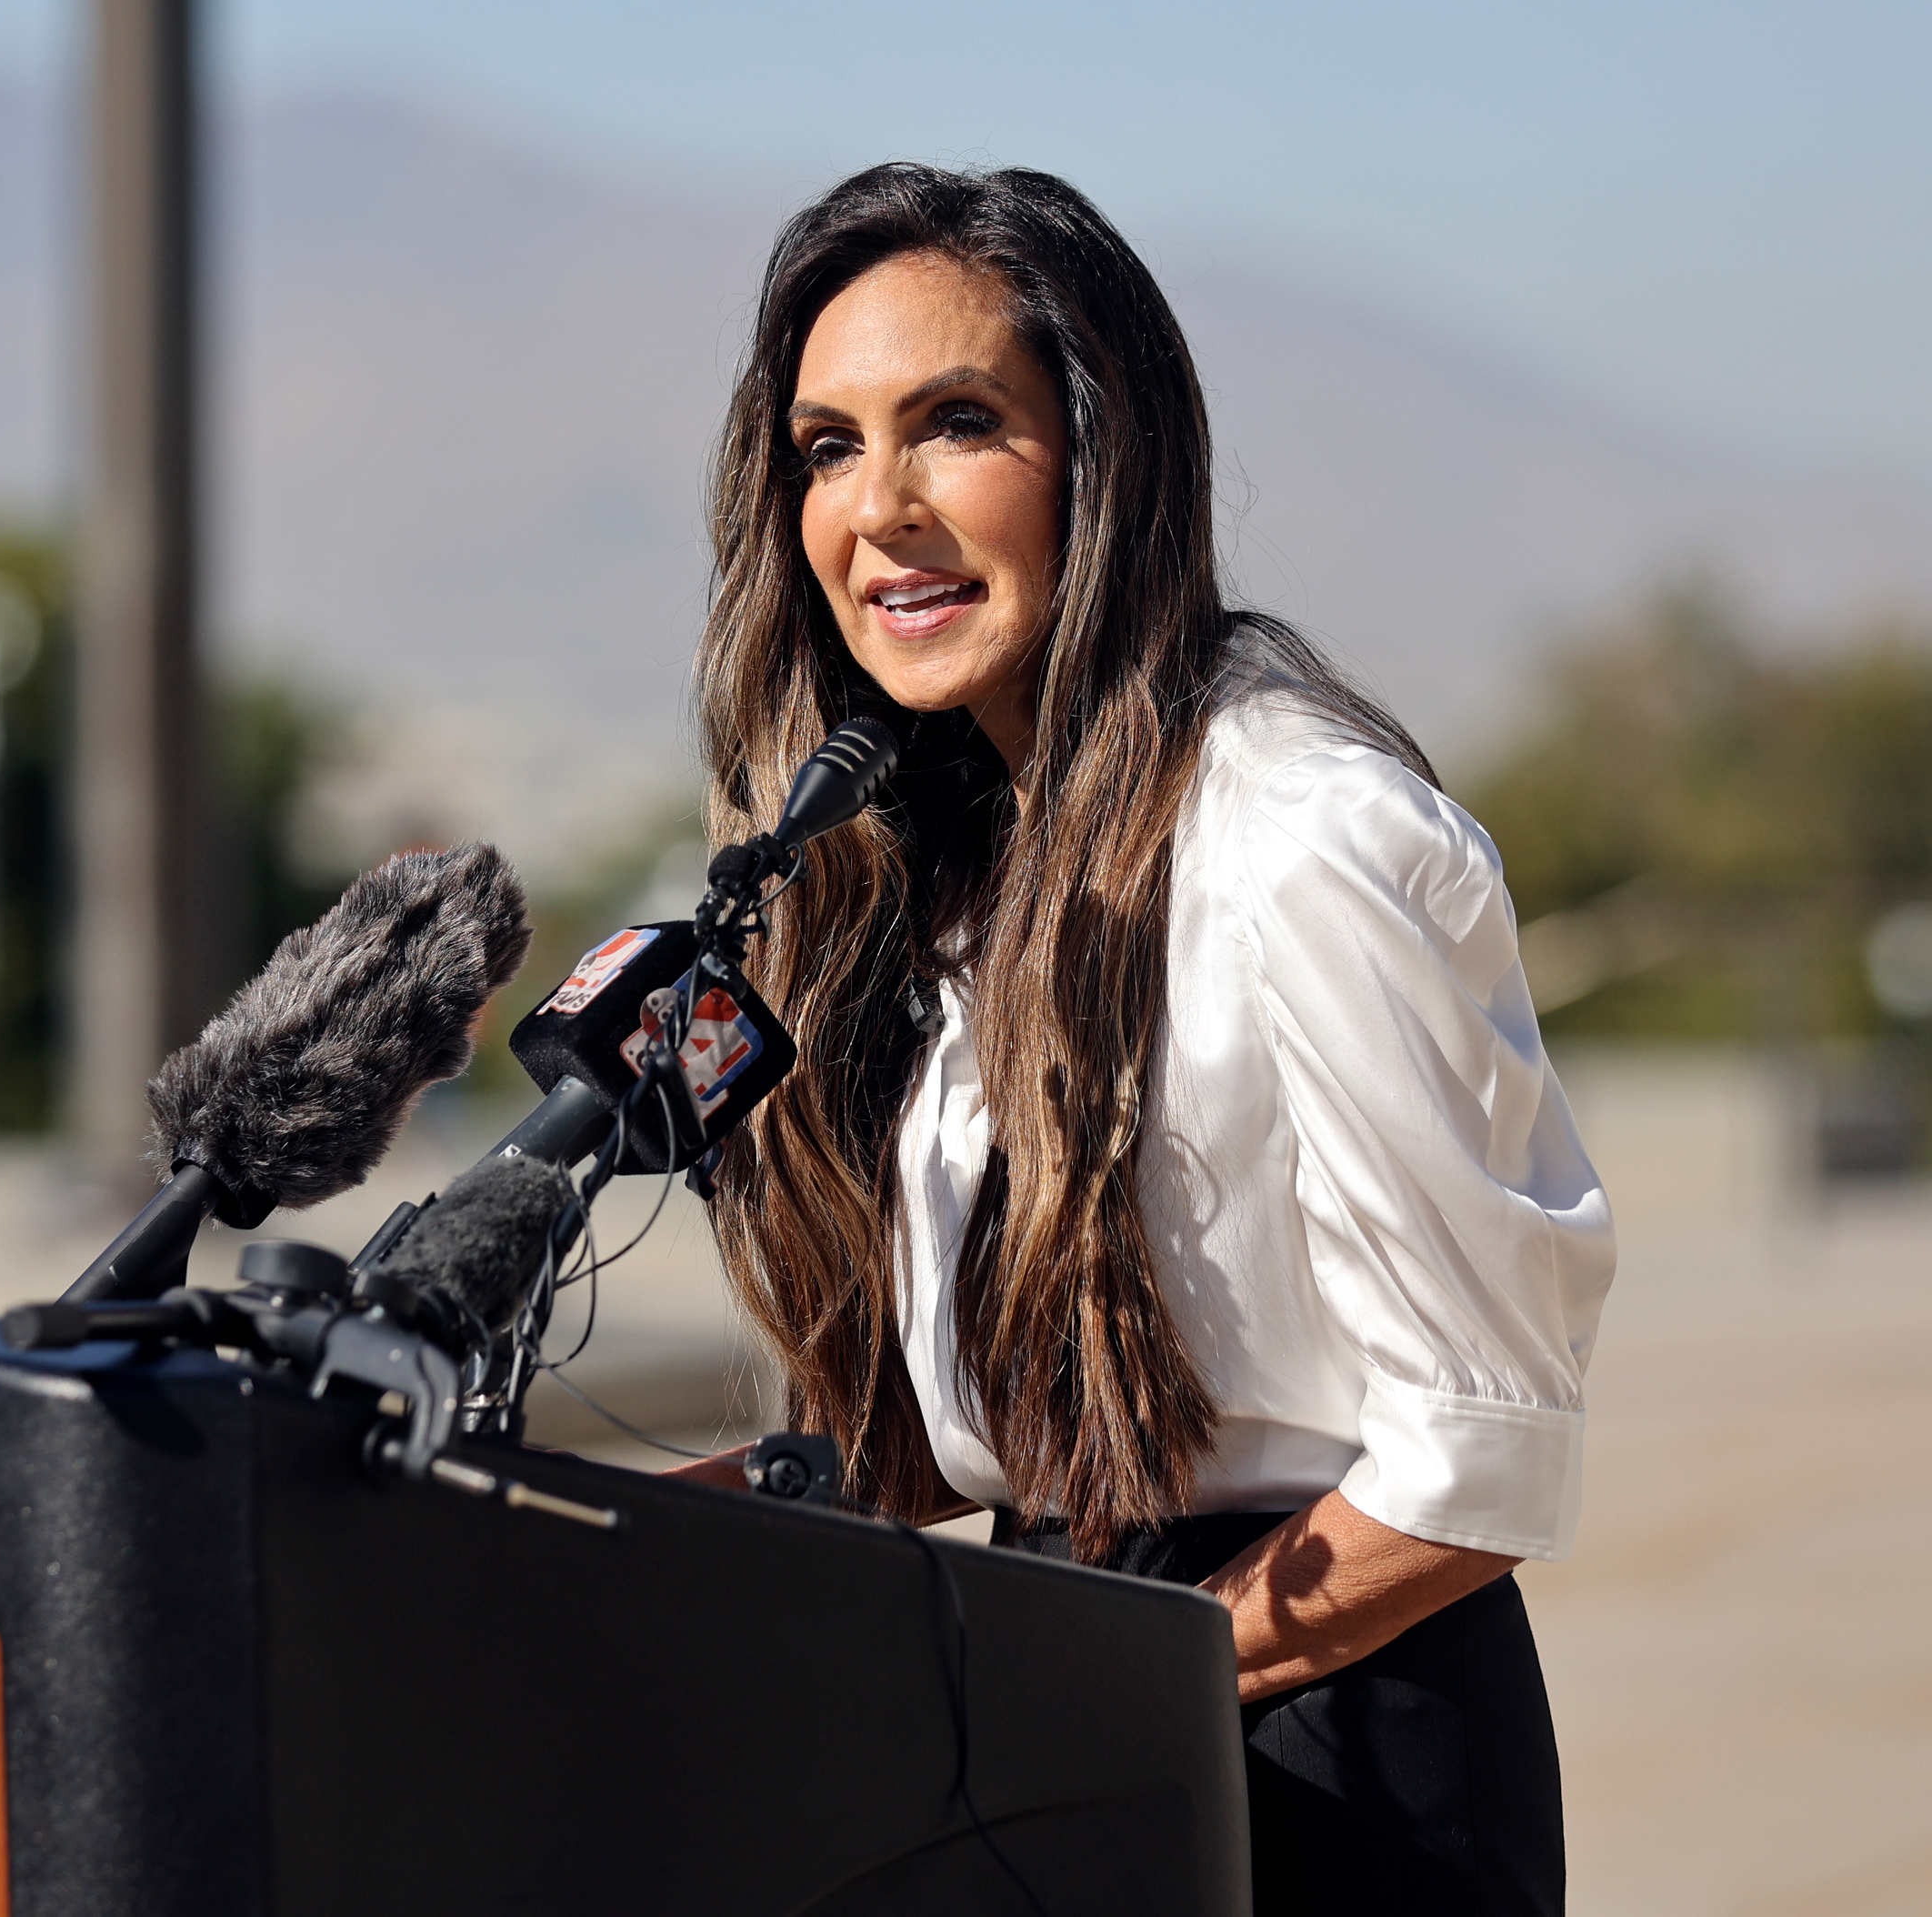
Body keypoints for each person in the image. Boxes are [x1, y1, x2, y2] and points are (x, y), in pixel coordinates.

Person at [671, 166, 1613, 1912]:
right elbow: (977, 1438)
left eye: (956, 425)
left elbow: (1476, 1460)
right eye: (824, 445)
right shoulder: (955, 865)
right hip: (1069, 1691)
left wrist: (1109, 1678)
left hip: (1318, 1763)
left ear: (1106, 459)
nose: (879, 508)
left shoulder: (1301, 835)